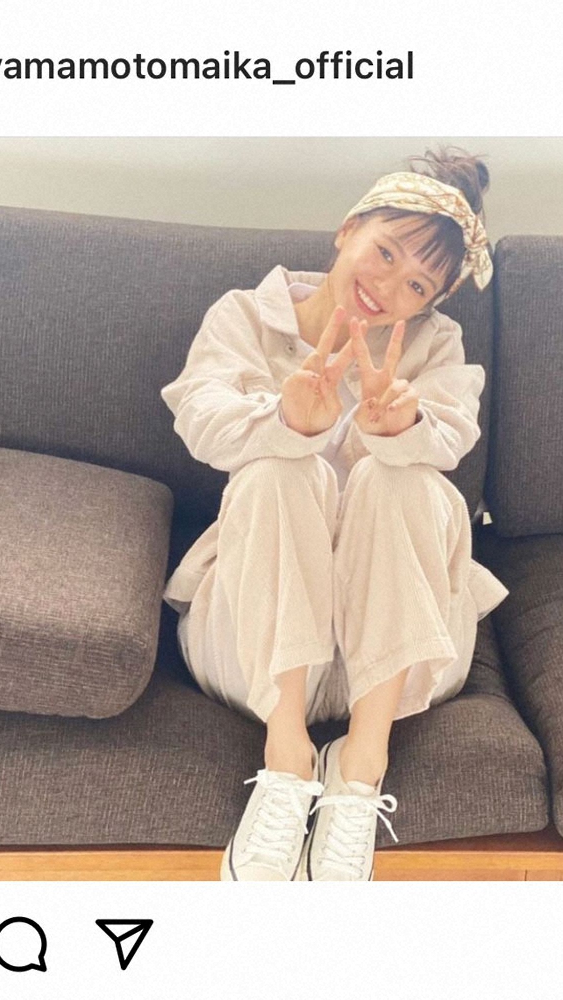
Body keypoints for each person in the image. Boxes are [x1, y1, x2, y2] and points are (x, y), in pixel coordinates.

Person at [160, 147, 509, 881]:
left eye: (417, 285)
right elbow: (200, 419)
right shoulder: (244, 315)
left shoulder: (434, 345)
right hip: (256, 648)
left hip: (392, 664)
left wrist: (399, 430)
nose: (389, 287)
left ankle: (360, 768)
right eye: (384, 253)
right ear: (348, 230)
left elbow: (451, 436)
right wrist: (287, 421)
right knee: (278, 468)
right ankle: (286, 757)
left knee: (405, 480)